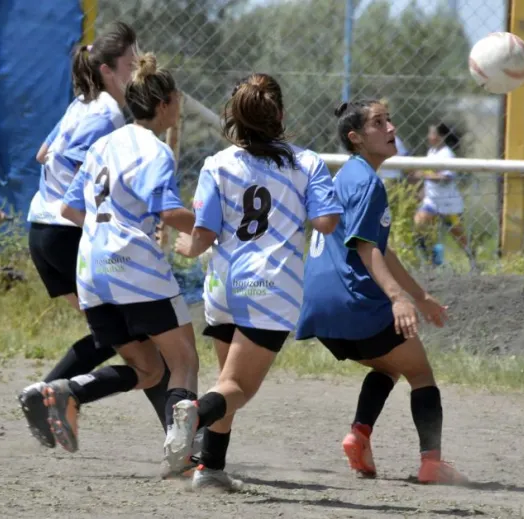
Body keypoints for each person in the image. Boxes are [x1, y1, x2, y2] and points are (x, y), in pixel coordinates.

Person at [168, 73, 343, 492]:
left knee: (228, 379)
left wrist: (188, 249)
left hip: (224, 286)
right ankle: (194, 413)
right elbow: (325, 221)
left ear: (235, 117)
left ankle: (210, 468)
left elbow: (204, 234)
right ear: (280, 115)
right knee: (239, 388)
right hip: (271, 288)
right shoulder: (307, 163)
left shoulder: (217, 164)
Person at [17, 22, 174, 450]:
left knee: (121, 338)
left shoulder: (82, 105)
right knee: (143, 349)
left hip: (44, 232)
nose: (136, 70)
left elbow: (42, 154)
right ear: (107, 70)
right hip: (69, 232)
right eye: (129, 64)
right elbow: (68, 159)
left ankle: (47, 392)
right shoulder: (107, 113)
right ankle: (185, 443)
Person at [295, 98, 468, 485]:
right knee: (421, 374)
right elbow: (365, 247)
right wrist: (397, 297)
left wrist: (419, 295)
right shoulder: (369, 183)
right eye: (378, 123)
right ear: (355, 138)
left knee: (388, 366)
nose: (391, 129)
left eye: (389, 120)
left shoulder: (346, 176)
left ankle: (359, 436)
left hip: (320, 308)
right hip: (355, 303)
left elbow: (380, 246)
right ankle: (432, 464)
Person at [413, 122, 477, 272]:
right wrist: (421, 193)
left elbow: (446, 178)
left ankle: (473, 261)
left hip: (449, 205)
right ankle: (432, 263)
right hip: (432, 202)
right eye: (429, 134)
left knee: (459, 236)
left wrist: (425, 174)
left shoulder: (447, 154)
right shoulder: (431, 152)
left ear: (442, 137)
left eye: (433, 134)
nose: (430, 137)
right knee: (420, 227)